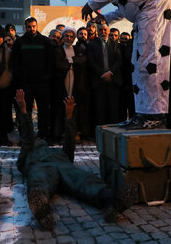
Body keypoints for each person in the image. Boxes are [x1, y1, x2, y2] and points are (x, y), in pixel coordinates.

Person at [75, 0, 171, 129]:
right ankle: (143, 113)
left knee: (150, 61)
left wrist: (92, 3)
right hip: (144, 12)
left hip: (154, 5)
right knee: (137, 64)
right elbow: (124, 7)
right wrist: (105, 18)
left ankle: (155, 115)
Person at [14, 89, 116, 230]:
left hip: (64, 165)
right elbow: (27, 137)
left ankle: (110, 199)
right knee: (39, 182)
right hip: (41, 166)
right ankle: (41, 206)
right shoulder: (27, 151)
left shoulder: (56, 151)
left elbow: (69, 144)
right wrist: (24, 111)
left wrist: (69, 117)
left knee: (84, 179)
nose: (39, 139)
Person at [10, 17, 54, 140]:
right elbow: (15, 62)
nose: (32, 29)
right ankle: (26, 134)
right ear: (25, 27)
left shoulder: (45, 41)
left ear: (37, 26)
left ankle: (43, 134)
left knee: (43, 109)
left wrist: (46, 76)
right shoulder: (19, 42)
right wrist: (20, 78)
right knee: (25, 110)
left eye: (34, 26)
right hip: (26, 83)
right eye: (29, 27)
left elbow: (50, 61)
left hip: (42, 82)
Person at [86, 23, 123, 126]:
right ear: (97, 31)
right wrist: (102, 74)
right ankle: (100, 134)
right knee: (99, 109)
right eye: (100, 30)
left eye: (105, 30)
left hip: (113, 81)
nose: (103, 32)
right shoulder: (92, 45)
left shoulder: (116, 44)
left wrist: (110, 73)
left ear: (108, 30)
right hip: (99, 82)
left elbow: (119, 61)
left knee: (113, 109)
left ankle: (113, 132)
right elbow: (91, 62)